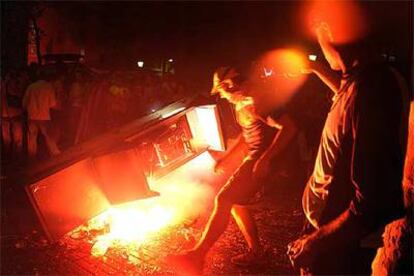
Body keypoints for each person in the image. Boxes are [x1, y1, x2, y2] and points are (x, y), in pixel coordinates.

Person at [287, 11, 409, 275]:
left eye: (318, 34)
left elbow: (371, 202)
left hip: (340, 244)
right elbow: (345, 101)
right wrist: (316, 68)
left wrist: (315, 242)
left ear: (331, 32)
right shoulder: (358, 81)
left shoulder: (374, 89)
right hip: (330, 234)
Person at [169, 66, 297, 272]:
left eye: (223, 91)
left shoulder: (257, 103)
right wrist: (226, 158)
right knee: (237, 203)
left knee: (223, 199)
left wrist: (265, 159)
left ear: (232, 85)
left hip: (262, 161)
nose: (223, 96)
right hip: (255, 158)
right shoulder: (242, 105)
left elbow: (289, 128)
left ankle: (197, 256)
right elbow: (245, 136)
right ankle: (257, 253)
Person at [23, 72, 61, 159]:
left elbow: (24, 103)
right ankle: (55, 154)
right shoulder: (48, 87)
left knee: (32, 137)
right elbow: (53, 104)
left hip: (32, 116)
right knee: (48, 136)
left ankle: (31, 157)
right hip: (44, 116)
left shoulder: (31, 87)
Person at [1, 70, 24, 161]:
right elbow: (20, 97)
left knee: (7, 138)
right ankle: (16, 158)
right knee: (17, 139)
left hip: (4, 115)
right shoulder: (16, 86)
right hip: (15, 114)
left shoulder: (3, 86)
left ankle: (8, 157)